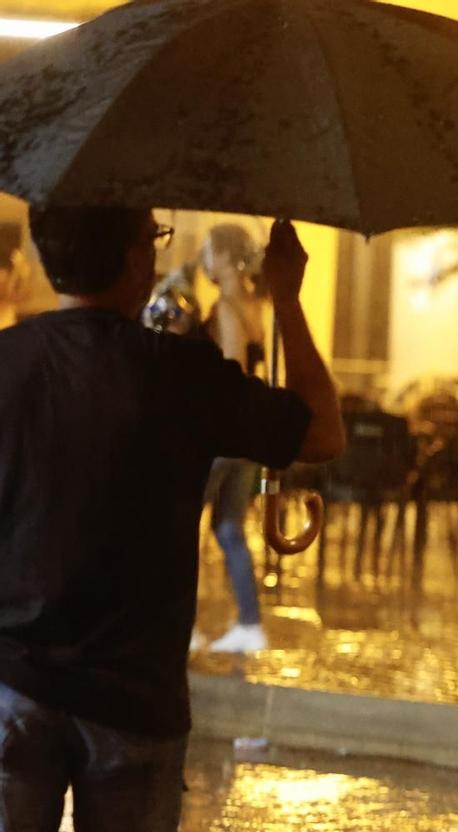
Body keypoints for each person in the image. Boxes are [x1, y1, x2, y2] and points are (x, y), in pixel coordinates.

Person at [0, 208, 344, 832]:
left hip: (12, 682)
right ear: (127, 256)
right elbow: (317, 429)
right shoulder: (175, 370)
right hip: (135, 701)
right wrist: (285, 297)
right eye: (148, 236)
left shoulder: (6, 365)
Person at [193, 225, 273, 654]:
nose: (203, 257)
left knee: (184, 523)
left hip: (224, 434)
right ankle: (249, 622)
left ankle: (182, 625)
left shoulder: (226, 305)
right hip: (249, 434)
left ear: (224, 257)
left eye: (208, 249)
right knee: (228, 528)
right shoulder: (257, 304)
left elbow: (232, 372)